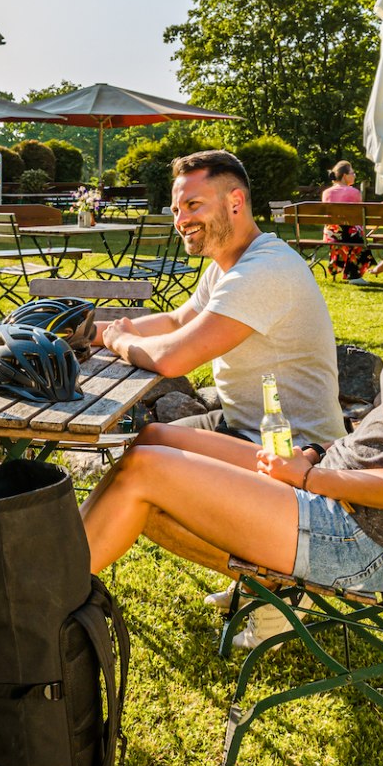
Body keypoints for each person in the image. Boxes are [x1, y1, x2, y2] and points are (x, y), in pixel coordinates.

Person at [82, 151, 383, 624]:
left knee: (144, 471)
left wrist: (311, 480)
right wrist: (316, 457)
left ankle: (47, 600)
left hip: (365, 536)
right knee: (151, 439)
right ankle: (260, 587)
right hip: (335, 483)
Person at [96, 149, 346, 643]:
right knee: (142, 450)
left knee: (145, 483)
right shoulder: (230, 264)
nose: (181, 219)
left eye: (193, 205)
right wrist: (102, 328)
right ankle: (258, 577)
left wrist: (118, 341)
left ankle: (277, 586)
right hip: (244, 431)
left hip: (296, 455)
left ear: (235, 202)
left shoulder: (265, 270)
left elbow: (174, 357)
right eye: (176, 209)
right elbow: (176, 321)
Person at [321, 160, 370, 283]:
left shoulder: (326, 193)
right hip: (349, 234)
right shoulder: (354, 192)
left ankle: (337, 266)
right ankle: (354, 275)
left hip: (331, 234)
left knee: (350, 233)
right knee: (357, 235)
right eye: (352, 173)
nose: (354, 175)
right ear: (344, 175)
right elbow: (359, 216)